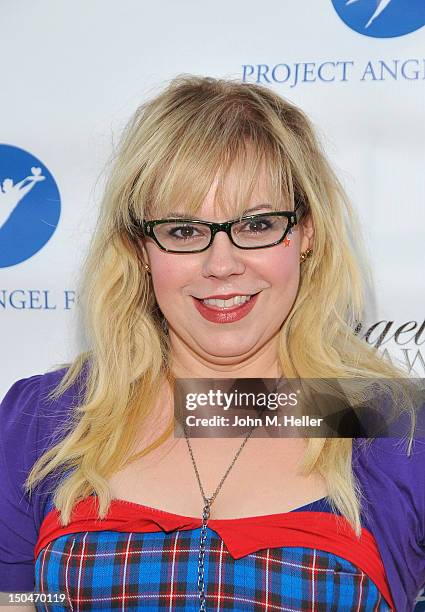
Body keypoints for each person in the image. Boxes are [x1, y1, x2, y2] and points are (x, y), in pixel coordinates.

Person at [1, 75, 424, 611]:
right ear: (138, 247)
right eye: (183, 231)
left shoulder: (391, 427)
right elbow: (12, 597)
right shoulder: (45, 418)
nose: (221, 264)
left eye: (257, 224)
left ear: (308, 232)